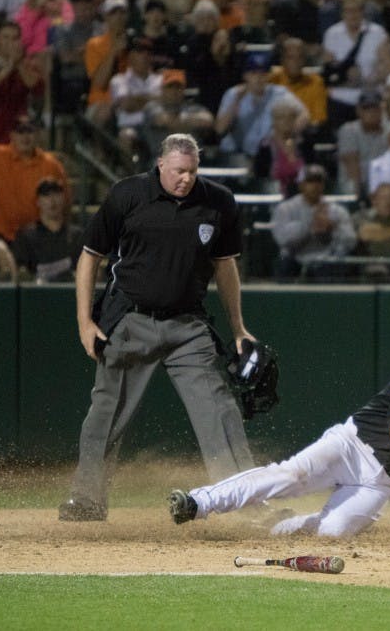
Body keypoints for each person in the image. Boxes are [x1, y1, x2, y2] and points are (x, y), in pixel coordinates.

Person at [58, 133, 258, 521]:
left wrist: (238, 327)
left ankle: (242, 500)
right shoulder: (128, 195)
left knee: (219, 410)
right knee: (106, 412)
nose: (186, 178)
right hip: (131, 320)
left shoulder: (217, 201)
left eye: (193, 171)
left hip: (188, 325)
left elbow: (225, 266)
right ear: (162, 165)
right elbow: (90, 256)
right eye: (179, 171)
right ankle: (86, 500)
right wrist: (85, 321)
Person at [168, 313, 390, 541]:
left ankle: (277, 525)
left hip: (383, 483)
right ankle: (198, 502)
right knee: (289, 477)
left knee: (332, 533)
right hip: (351, 446)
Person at [0, 114, 69, 243]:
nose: (25, 137)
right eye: (20, 131)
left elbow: (66, 204)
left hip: (40, 240)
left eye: (29, 131)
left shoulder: (52, 165)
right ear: (11, 135)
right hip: (1, 238)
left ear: (38, 134)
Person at [269, 164, 356, 280]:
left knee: (339, 263)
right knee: (283, 262)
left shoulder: (336, 210)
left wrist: (333, 228)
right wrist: (309, 225)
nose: (315, 185)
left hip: (326, 261)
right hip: (295, 259)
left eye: (319, 181)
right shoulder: (286, 208)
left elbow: (351, 240)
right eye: (310, 181)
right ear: (300, 185)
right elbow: (282, 239)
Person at [11, 178, 83, 283]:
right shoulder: (26, 236)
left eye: (56, 194)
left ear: (64, 198)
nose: (52, 200)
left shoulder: (77, 235)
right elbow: (22, 274)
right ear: (38, 201)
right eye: (46, 195)